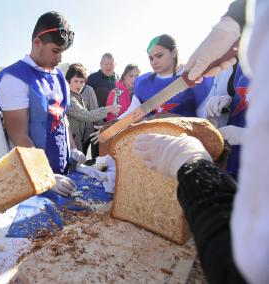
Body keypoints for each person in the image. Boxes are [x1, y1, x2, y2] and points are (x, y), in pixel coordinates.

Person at [134, 0, 269, 283]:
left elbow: (246, 264)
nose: (154, 61)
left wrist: (192, 164)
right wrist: (234, 19)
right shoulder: (144, 83)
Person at [0, 11, 84, 196]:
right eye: (55, 51)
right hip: (31, 178)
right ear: (37, 43)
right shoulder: (14, 78)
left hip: (61, 173)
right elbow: (18, 134)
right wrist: (45, 175)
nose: (60, 59)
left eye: (62, 52)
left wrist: (73, 149)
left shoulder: (58, 76)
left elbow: (62, 117)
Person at [122, 34, 212, 118]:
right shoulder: (143, 83)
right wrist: (112, 126)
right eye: (151, 58)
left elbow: (204, 113)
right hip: (150, 133)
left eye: (159, 56)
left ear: (173, 52)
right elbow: (131, 115)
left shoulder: (193, 77)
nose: (154, 62)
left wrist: (214, 105)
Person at [65, 63, 120, 154]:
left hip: (80, 139)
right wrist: (108, 109)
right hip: (71, 144)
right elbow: (86, 115)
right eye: (76, 81)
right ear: (68, 81)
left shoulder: (76, 94)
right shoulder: (69, 98)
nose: (79, 85)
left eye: (82, 82)